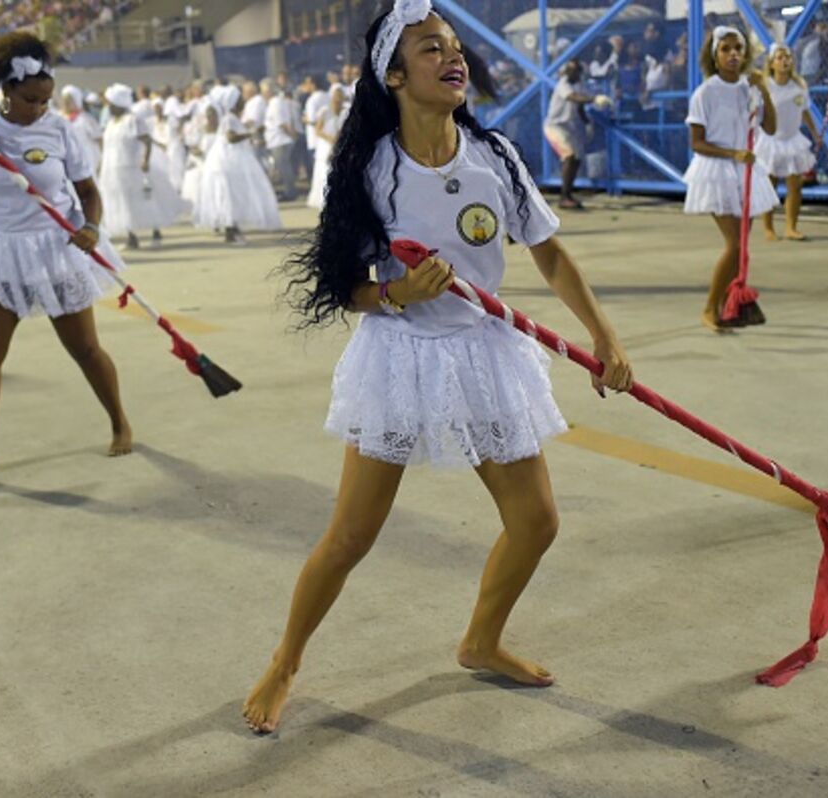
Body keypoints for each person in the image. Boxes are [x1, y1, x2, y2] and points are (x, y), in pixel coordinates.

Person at [242, 3, 633, 735]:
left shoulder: (496, 157)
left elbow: (548, 251)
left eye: (454, 48)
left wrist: (605, 337)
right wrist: (393, 293)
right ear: (393, 74)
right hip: (402, 356)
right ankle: (287, 660)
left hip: (484, 352)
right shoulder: (369, 170)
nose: (453, 59)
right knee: (352, 537)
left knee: (536, 521)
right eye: (430, 49)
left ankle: (480, 641)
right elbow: (342, 285)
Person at [0, 32, 132, 487]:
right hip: (0, 249)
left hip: (56, 246)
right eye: (30, 100)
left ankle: (120, 419)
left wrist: (91, 228)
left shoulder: (60, 128)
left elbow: (87, 192)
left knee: (84, 348)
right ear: (6, 89)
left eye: (45, 100)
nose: (39, 109)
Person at [683, 26, 778, 332]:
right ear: (715, 55)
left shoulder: (749, 88)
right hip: (717, 171)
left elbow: (771, 128)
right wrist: (733, 154)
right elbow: (696, 142)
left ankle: (730, 306)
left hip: (746, 171)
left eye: (738, 48)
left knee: (743, 248)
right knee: (735, 245)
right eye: (726, 49)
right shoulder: (705, 93)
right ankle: (710, 308)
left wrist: (763, 89)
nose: (733, 54)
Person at [99, 83, 186, 250]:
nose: (108, 107)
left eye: (110, 104)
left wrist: (145, 160)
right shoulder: (111, 123)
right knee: (123, 202)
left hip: (132, 167)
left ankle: (155, 230)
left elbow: (146, 140)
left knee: (143, 199)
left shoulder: (133, 119)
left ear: (118, 104)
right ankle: (131, 236)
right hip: (113, 169)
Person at [194, 85, 282, 245]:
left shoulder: (233, 118)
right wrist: (252, 133)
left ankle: (232, 229)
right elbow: (230, 138)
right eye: (240, 99)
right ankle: (231, 230)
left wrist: (252, 135)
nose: (243, 101)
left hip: (231, 159)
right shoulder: (229, 118)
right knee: (230, 194)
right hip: (226, 161)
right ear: (234, 102)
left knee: (233, 195)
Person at [755, 44, 819, 241]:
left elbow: (805, 110)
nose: (785, 61)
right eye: (780, 57)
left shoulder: (798, 87)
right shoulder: (765, 86)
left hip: (792, 140)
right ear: (772, 63)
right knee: (770, 186)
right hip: (771, 141)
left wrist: (815, 133)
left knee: (795, 185)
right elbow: (757, 113)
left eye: (788, 57)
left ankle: (791, 227)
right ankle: (768, 228)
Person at [543, 59, 603, 210]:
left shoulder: (579, 84)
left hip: (569, 128)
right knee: (569, 156)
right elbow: (573, 97)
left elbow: (579, 106)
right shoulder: (563, 84)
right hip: (554, 126)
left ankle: (568, 194)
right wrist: (594, 99)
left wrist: (586, 122)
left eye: (574, 70)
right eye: (569, 70)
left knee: (576, 160)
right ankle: (563, 197)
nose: (571, 73)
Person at [307, 84, 347, 209]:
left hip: (340, 143)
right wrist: (329, 138)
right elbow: (317, 130)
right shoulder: (325, 111)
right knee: (324, 171)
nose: (338, 99)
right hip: (326, 144)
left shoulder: (346, 111)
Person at [265, 85, 300, 200]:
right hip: (278, 140)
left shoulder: (275, 103)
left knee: (284, 168)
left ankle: (291, 192)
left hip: (280, 140)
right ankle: (290, 191)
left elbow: (282, 123)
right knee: (284, 167)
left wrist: (292, 135)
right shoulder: (276, 102)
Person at [59, 84, 103, 174]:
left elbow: (99, 139)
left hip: (87, 159)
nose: (66, 104)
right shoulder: (59, 118)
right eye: (65, 101)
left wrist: (101, 161)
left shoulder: (86, 119)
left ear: (76, 101)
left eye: (69, 101)